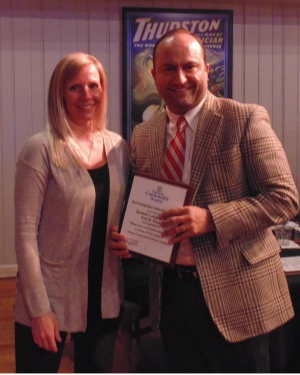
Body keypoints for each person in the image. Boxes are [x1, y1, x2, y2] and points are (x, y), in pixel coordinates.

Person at [109, 29, 299, 373]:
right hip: (173, 296)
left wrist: (212, 218)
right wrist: (131, 242)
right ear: (154, 75)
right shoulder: (143, 135)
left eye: (189, 66)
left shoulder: (244, 118)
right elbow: (150, 210)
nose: (179, 77)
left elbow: (284, 198)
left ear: (207, 69)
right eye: (168, 68)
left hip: (242, 297)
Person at [14, 52, 131, 373]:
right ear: (59, 93)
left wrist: (128, 240)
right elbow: (25, 237)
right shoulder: (39, 149)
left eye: (94, 85)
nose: (87, 95)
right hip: (49, 296)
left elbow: (119, 214)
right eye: (75, 87)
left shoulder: (119, 148)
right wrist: (38, 310)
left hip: (104, 295)